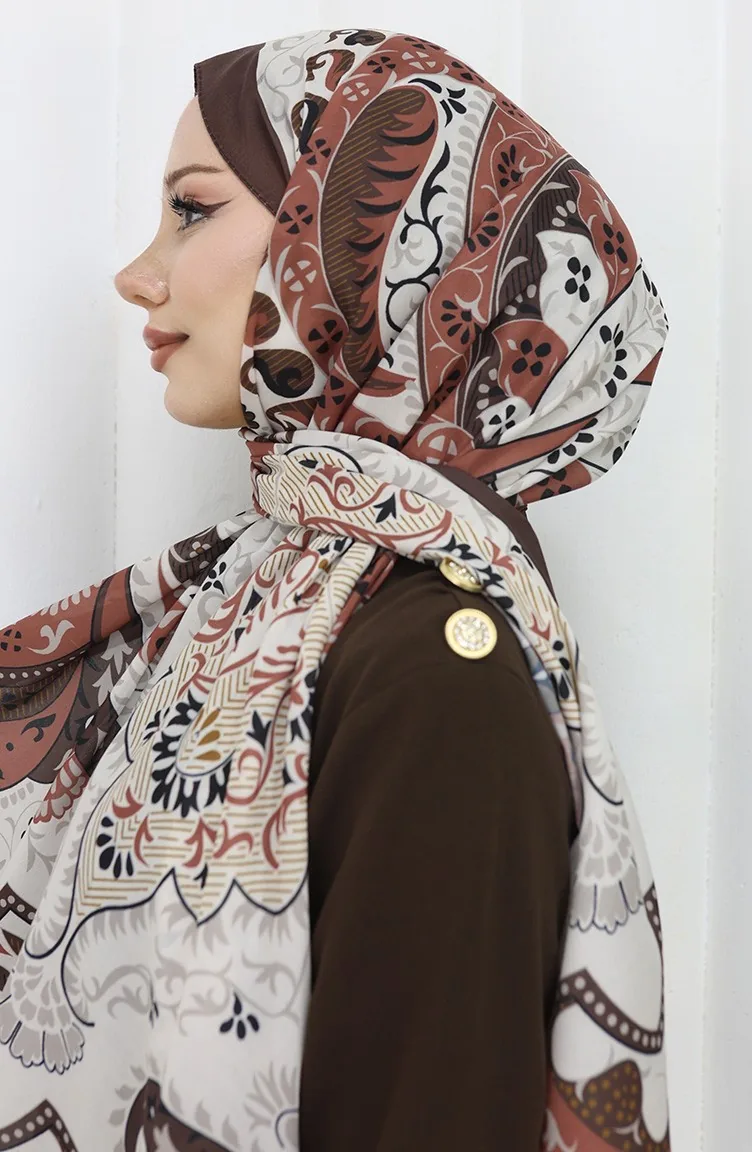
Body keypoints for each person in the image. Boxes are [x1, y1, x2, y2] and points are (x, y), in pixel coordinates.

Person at [0, 27, 670, 1152]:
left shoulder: (434, 669)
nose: (137, 274)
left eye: (193, 209)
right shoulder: (258, 599)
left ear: (362, 245)